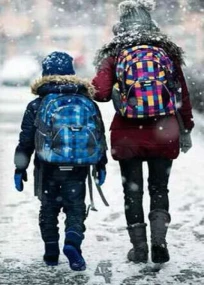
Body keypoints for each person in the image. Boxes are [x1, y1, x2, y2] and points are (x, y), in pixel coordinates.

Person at [92, 0, 194, 264]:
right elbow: (182, 93)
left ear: (121, 23)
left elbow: (100, 93)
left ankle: (139, 248)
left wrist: (111, 86)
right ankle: (159, 242)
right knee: (160, 188)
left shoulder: (114, 53)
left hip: (128, 135)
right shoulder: (166, 52)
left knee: (132, 192)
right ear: (150, 20)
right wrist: (186, 129)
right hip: (164, 131)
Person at [14, 51, 108, 271]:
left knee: (49, 209)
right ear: (71, 73)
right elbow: (99, 135)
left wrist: (20, 169)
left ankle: (51, 251)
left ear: (45, 73)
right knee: (75, 208)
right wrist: (101, 164)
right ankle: (73, 243)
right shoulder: (86, 100)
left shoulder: (38, 104)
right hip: (78, 166)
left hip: (47, 166)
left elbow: (26, 140)